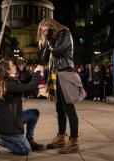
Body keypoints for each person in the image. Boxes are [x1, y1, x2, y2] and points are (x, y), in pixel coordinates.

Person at [37, 18, 83, 154]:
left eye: (46, 29)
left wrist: (50, 39)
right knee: (60, 110)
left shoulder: (65, 33)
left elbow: (57, 51)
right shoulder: (53, 38)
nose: (45, 32)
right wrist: (48, 40)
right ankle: (61, 138)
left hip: (65, 74)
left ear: (52, 26)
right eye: (43, 31)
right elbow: (46, 56)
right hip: (55, 75)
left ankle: (74, 142)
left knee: (69, 109)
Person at [0, 58, 44, 155]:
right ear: (7, 70)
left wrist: (33, 73)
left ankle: (29, 139)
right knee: (25, 149)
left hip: (11, 118)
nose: (15, 67)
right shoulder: (8, 84)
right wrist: (38, 72)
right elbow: (30, 89)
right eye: (12, 66)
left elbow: (23, 82)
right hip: (6, 125)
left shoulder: (7, 80)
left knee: (34, 113)